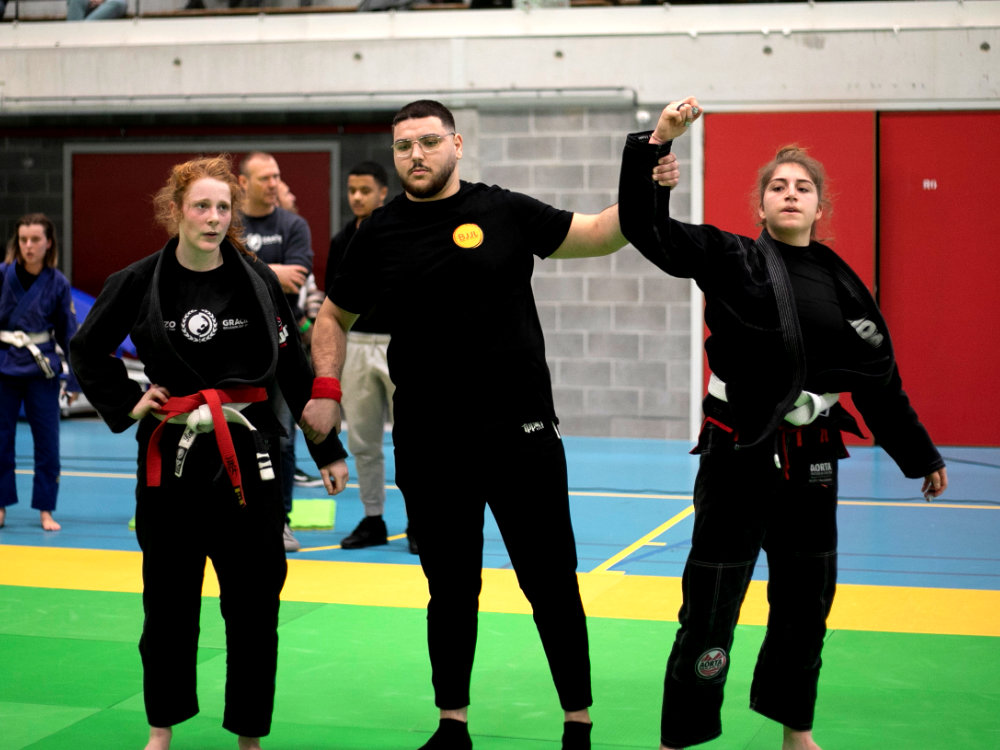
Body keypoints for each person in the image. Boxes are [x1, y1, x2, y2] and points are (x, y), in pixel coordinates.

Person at [301, 99, 677, 750]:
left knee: (550, 581)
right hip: (429, 438)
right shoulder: (379, 232)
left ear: (457, 144)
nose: (415, 155)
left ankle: (578, 722)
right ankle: (452, 724)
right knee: (449, 588)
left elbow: (601, 232)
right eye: (403, 146)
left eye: (428, 142)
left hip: (520, 430)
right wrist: (327, 387)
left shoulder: (504, 210)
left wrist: (647, 172)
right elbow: (332, 315)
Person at [617, 98, 948, 750]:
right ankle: (681, 735)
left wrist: (919, 454)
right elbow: (646, 228)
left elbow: (878, 379)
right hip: (739, 452)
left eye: (802, 188)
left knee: (806, 600)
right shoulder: (732, 257)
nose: (790, 194)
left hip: (813, 458)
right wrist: (654, 147)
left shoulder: (843, 285)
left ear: (820, 208)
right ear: (761, 206)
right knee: (712, 602)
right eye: (778, 187)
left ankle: (797, 730)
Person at [69, 155, 349, 750]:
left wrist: (328, 448)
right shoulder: (138, 280)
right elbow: (87, 349)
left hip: (248, 454)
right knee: (168, 602)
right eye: (201, 205)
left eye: (223, 207)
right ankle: (161, 728)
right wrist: (129, 399)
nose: (214, 217)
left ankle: (249, 733)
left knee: (254, 604)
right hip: (170, 458)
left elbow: (293, 368)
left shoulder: (257, 281)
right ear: (176, 210)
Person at [324, 160, 414, 552]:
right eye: (352, 191)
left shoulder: (402, 231)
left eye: (365, 190)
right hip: (357, 343)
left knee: (413, 440)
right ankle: (373, 516)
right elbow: (332, 302)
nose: (357, 197)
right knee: (362, 440)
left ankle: (419, 520)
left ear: (382, 192)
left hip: (401, 342)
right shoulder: (342, 240)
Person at [238, 152, 315, 550]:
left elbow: (295, 280)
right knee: (240, 434)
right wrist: (272, 271)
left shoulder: (293, 225)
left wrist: (249, 268)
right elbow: (222, 276)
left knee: (282, 439)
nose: (273, 184)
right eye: (264, 177)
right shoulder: (230, 224)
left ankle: (280, 520)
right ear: (243, 182)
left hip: (283, 348)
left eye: (276, 176)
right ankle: (240, 516)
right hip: (237, 351)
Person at [0, 213, 80, 531]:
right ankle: (1, 506)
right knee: (1, 440)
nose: (28, 246)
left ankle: (46, 509)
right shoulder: (2, 275)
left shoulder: (58, 283)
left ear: (49, 243)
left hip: (41, 371)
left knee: (47, 443)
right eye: (23, 240)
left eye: (35, 240)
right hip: (4, 368)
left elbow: (69, 334)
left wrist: (74, 380)